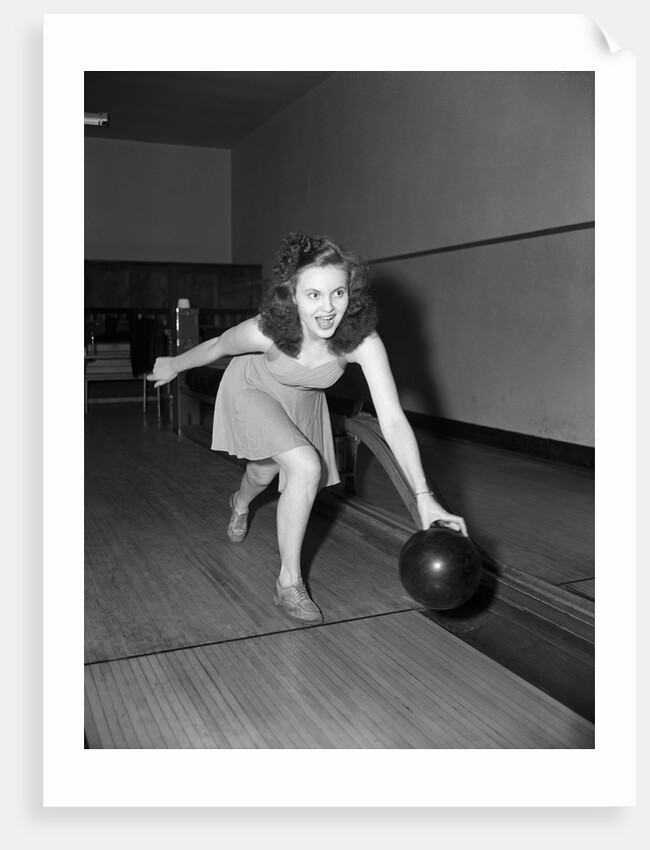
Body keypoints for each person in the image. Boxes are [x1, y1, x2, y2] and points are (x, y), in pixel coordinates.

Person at [149, 232, 467, 625]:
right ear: (293, 295)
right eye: (314, 295)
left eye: (338, 293)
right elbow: (217, 345)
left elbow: (393, 419)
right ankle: (288, 582)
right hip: (255, 386)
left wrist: (423, 496)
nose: (328, 307)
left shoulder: (361, 340)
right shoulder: (267, 329)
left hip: (303, 400)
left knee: (262, 472)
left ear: (351, 292)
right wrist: (174, 364)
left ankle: (240, 502)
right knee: (305, 466)